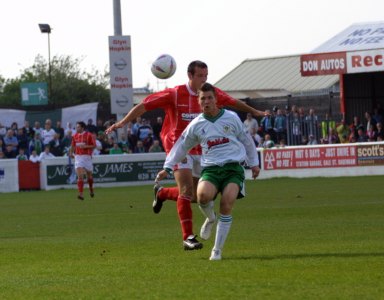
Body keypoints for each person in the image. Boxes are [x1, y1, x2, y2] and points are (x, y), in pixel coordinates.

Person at [105, 60, 265, 250]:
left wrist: (254, 111)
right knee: (187, 190)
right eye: (200, 76)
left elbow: (232, 101)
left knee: (199, 197)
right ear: (190, 76)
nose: (204, 79)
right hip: (178, 146)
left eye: (206, 75)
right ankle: (188, 237)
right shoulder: (174, 94)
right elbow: (145, 105)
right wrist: (123, 122)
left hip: (202, 150)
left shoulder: (209, 93)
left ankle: (162, 193)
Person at [155, 83, 260, 260]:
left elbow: (247, 140)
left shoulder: (231, 117)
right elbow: (181, 146)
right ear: (198, 101)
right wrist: (167, 167)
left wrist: (254, 163)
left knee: (226, 203)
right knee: (202, 197)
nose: (206, 101)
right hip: (211, 169)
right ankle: (211, 219)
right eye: (203, 98)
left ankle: (216, 250)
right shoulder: (196, 124)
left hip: (233, 168)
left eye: (210, 97)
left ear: (216, 99)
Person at [69, 121, 96, 200]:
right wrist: (70, 153)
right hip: (78, 157)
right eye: (76, 127)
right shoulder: (75, 136)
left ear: (82, 128)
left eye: (78, 127)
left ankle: (91, 189)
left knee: (89, 176)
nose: (76, 128)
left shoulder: (89, 135)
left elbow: (94, 146)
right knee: (80, 176)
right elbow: (73, 145)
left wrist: (85, 147)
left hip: (87, 157)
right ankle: (81, 194)